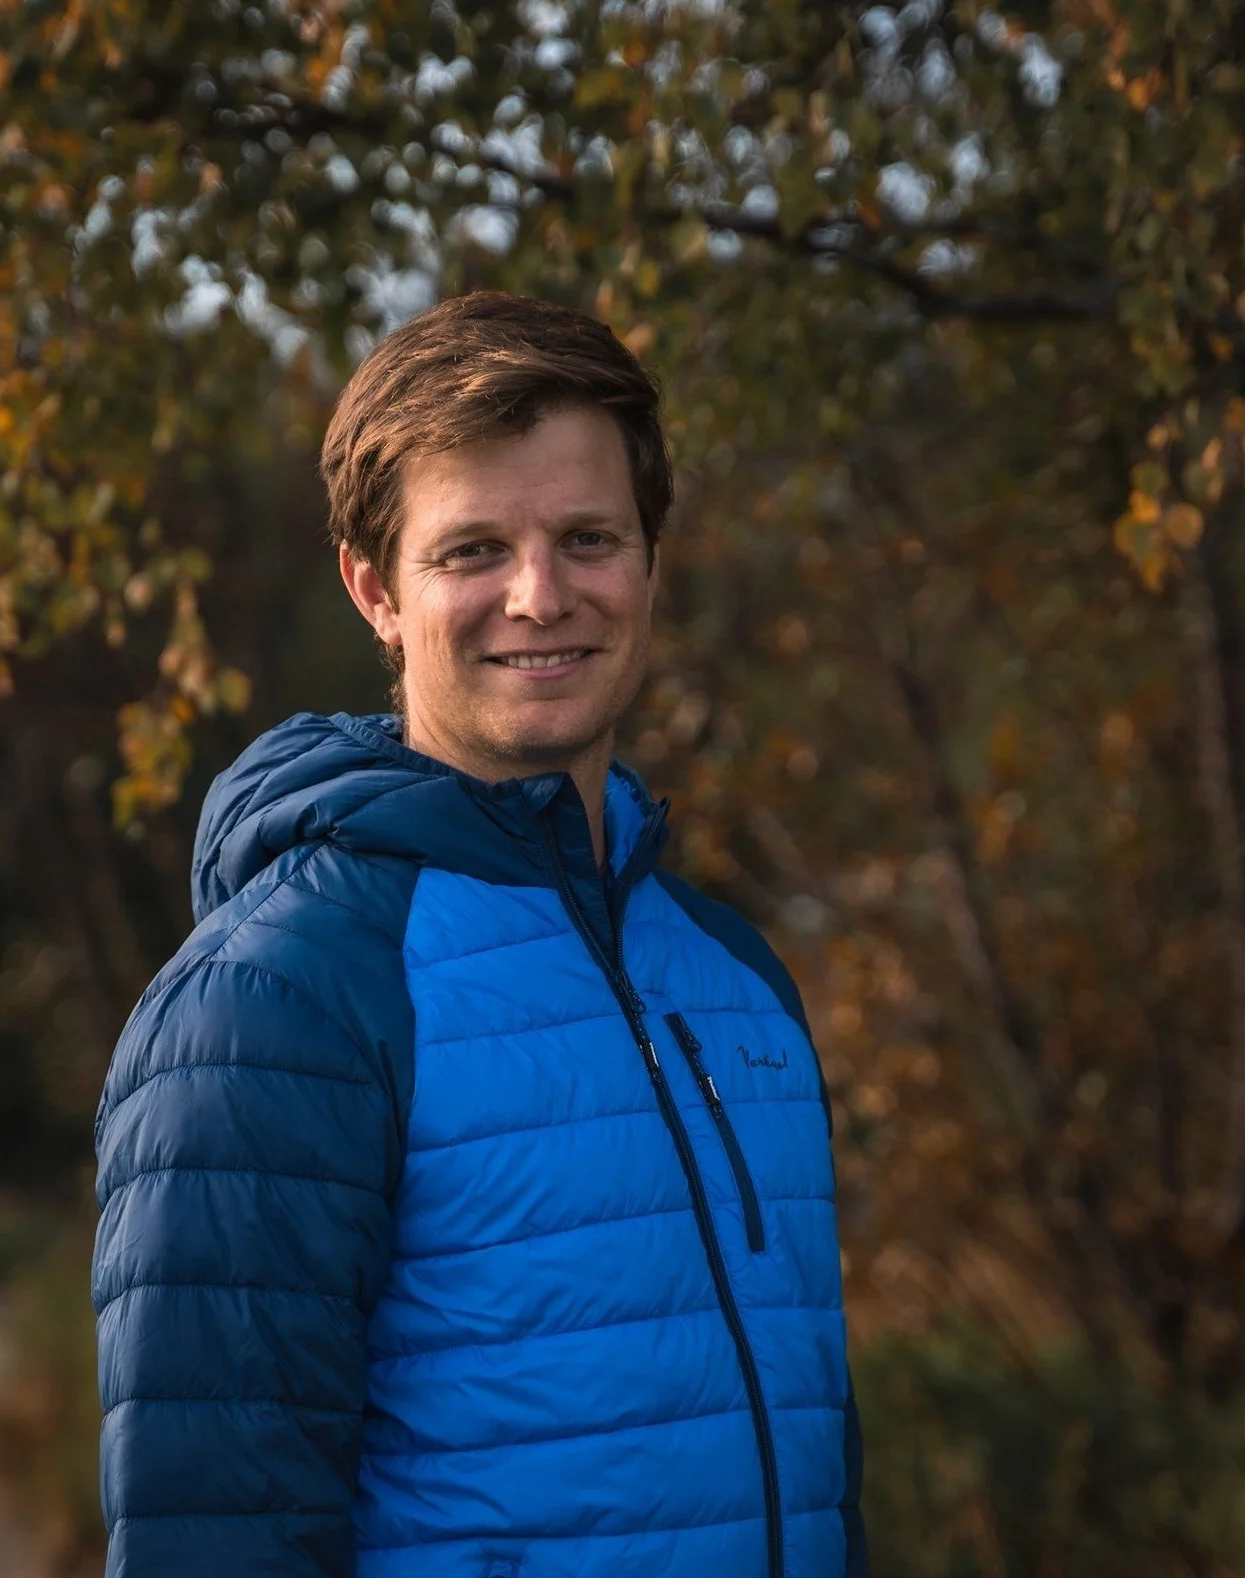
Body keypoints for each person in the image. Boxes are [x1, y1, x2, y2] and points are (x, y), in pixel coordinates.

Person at [92, 291, 866, 1578]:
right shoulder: (273, 1006)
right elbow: (214, 1538)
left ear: (651, 561)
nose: (541, 595)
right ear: (375, 591)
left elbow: (817, 1467)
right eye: (472, 551)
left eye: (587, 537)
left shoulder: (737, 977)